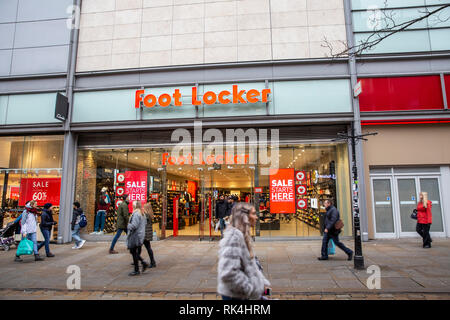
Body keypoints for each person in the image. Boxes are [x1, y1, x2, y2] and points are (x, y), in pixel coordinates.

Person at [217, 202, 271, 300]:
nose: (257, 217)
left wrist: (262, 286)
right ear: (245, 217)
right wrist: (252, 290)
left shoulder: (243, 236)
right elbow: (228, 274)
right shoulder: (234, 238)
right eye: (254, 214)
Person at [127, 201, 148, 276]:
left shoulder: (136, 214)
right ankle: (142, 264)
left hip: (135, 235)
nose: (132, 206)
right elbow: (144, 224)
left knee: (133, 251)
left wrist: (127, 225)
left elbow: (134, 226)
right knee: (133, 251)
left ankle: (137, 269)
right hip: (140, 235)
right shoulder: (142, 213)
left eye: (133, 205)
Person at [143, 201, 156, 268]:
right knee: (148, 248)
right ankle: (152, 261)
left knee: (138, 248)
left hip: (144, 234)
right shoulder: (150, 215)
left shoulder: (146, 215)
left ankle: (139, 261)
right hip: (148, 234)